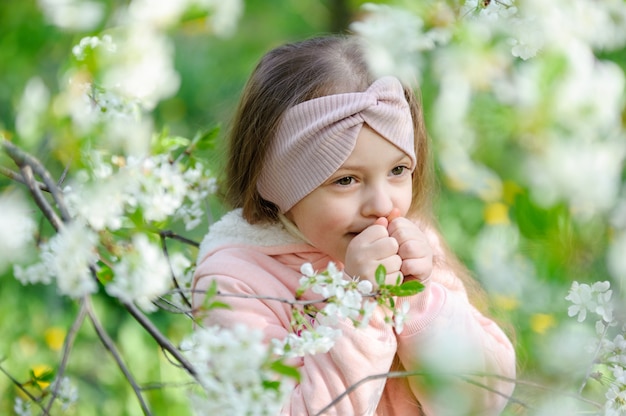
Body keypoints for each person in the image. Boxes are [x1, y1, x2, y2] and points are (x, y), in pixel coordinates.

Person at [192, 35, 516, 415]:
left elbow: (481, 399)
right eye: (346, 180)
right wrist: (362, 305)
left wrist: (416, 295)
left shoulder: (412, 247)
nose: (382, 204)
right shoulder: (237, 281)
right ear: (279, 186)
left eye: (398, 170)